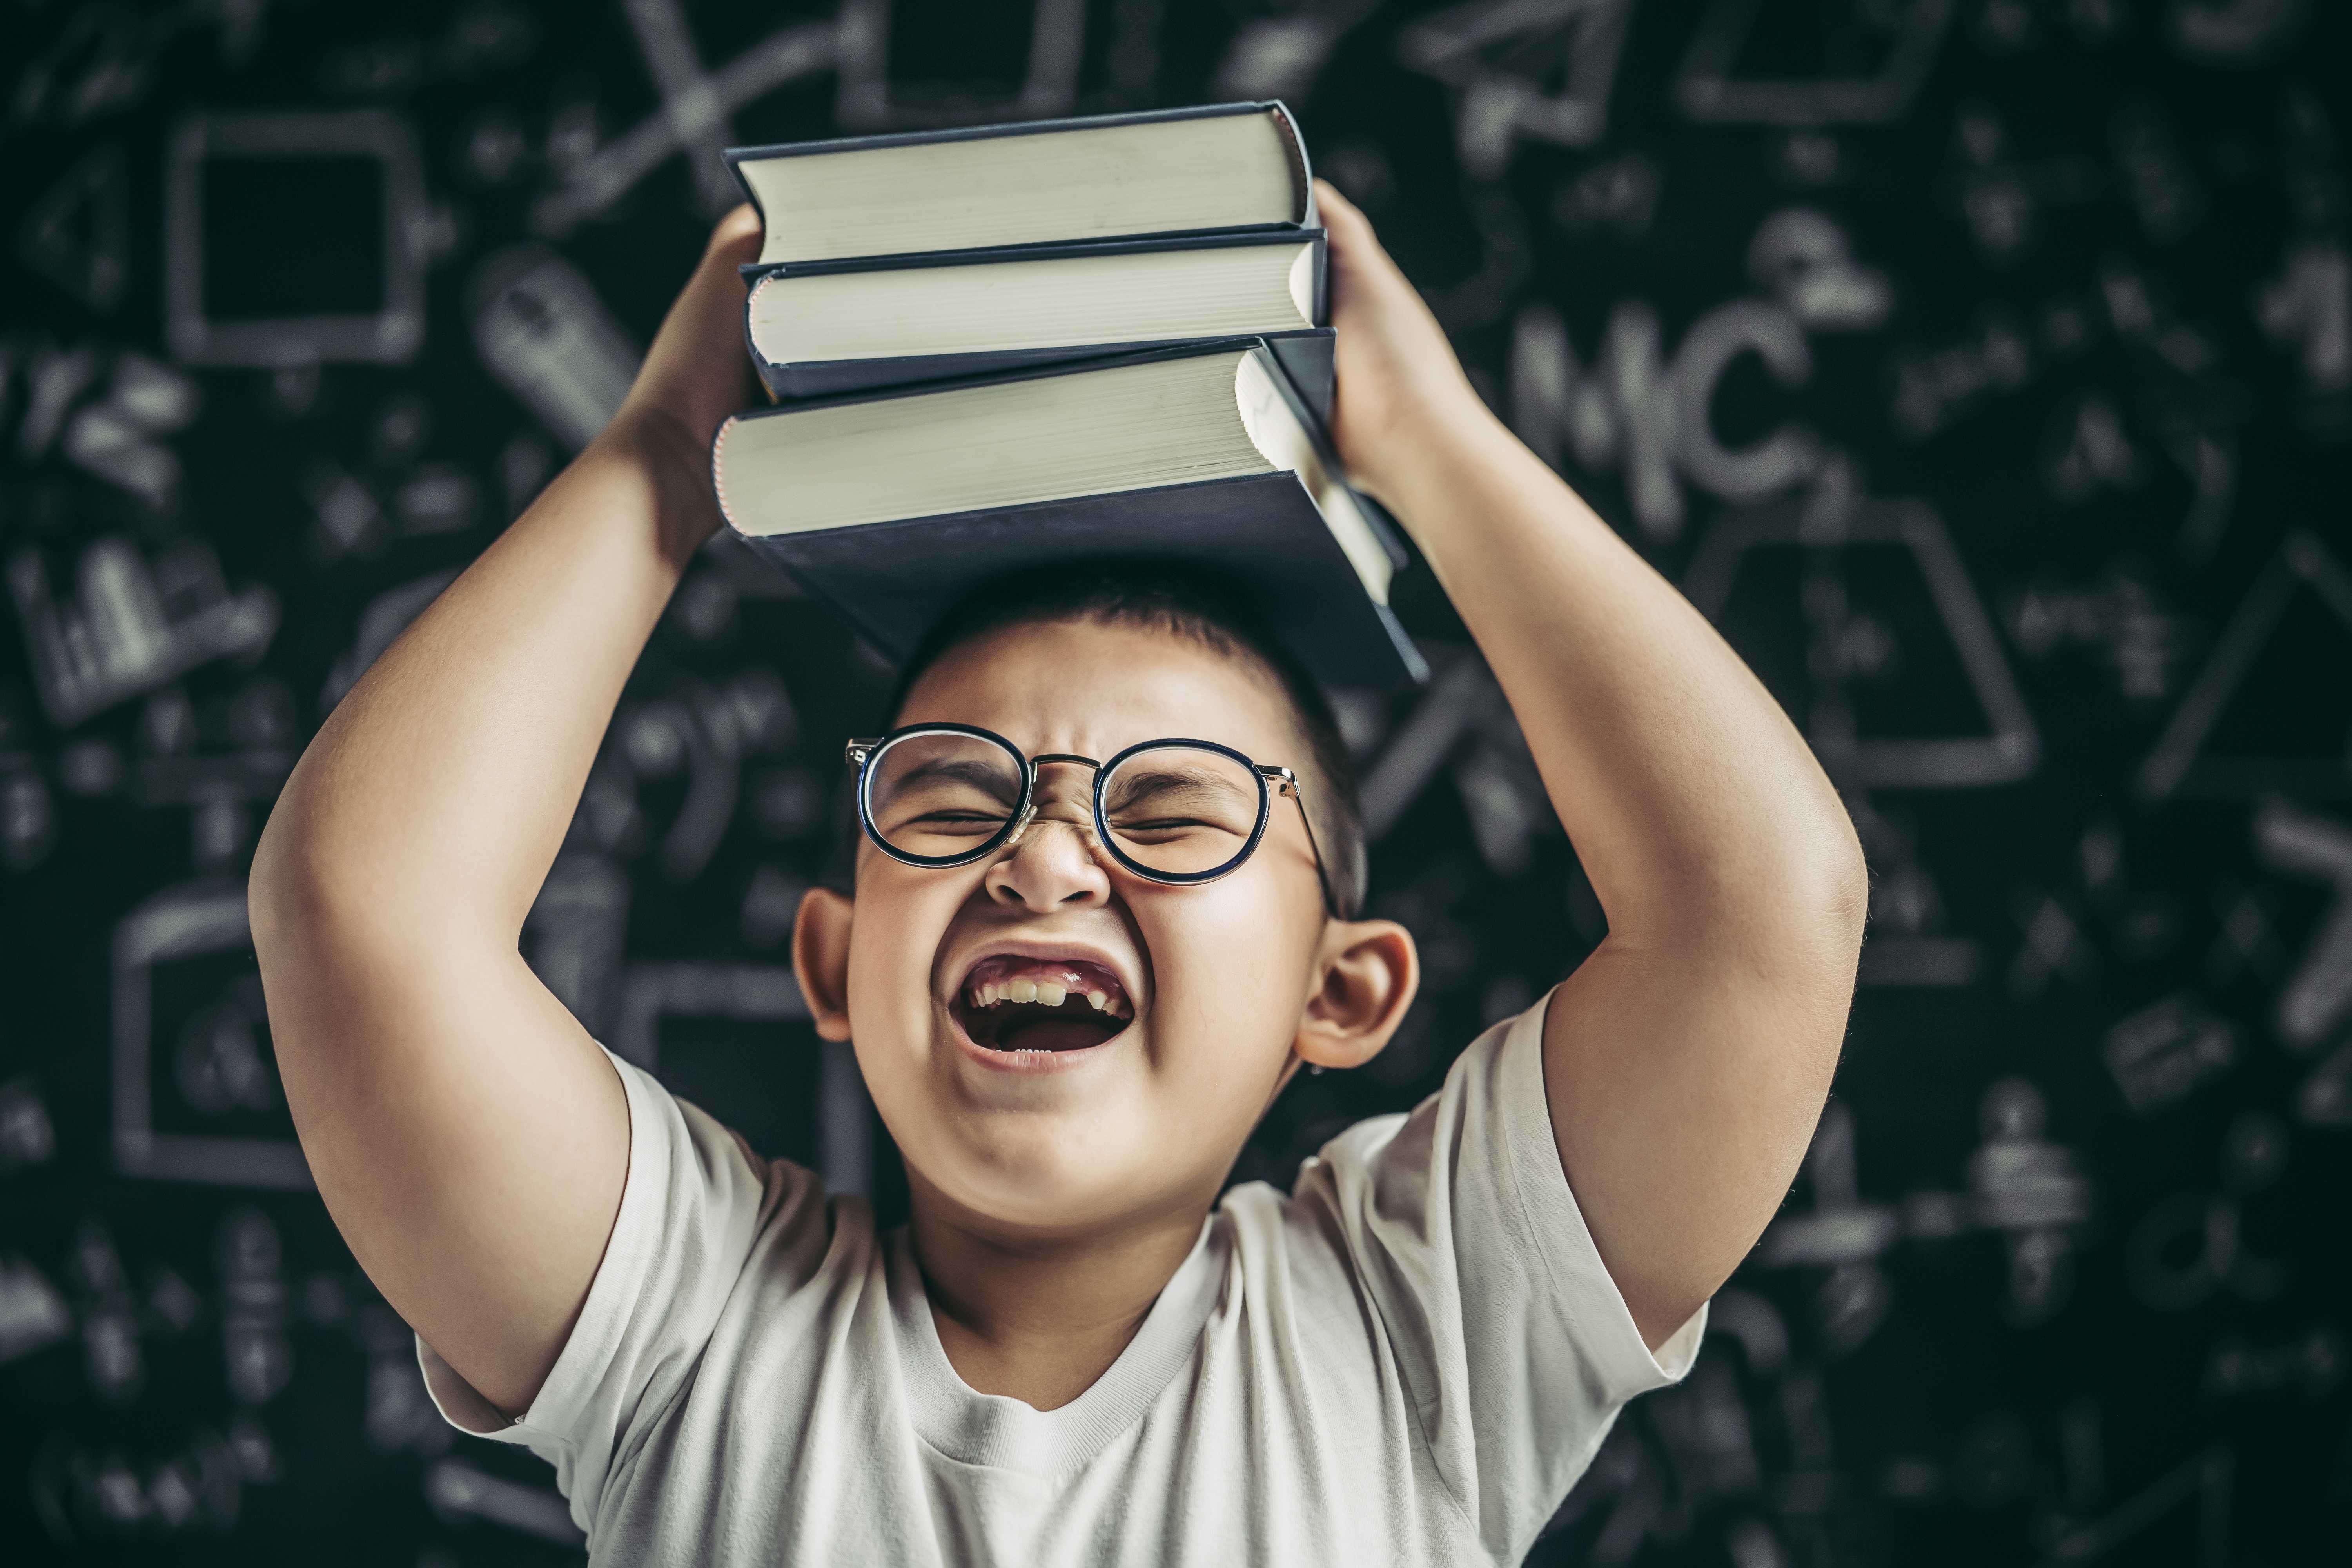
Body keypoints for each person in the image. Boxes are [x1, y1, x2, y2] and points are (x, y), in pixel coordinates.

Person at [249, 179, 1868, 1565]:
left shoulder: (1420, 1326)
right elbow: (366, 916)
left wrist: (1431, 441)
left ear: (1342, 987)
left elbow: (1760, 914)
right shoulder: (691, 1323)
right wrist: (670, 449)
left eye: (1171, 815)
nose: (1042, 852)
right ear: (831, 961)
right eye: (950, 799)